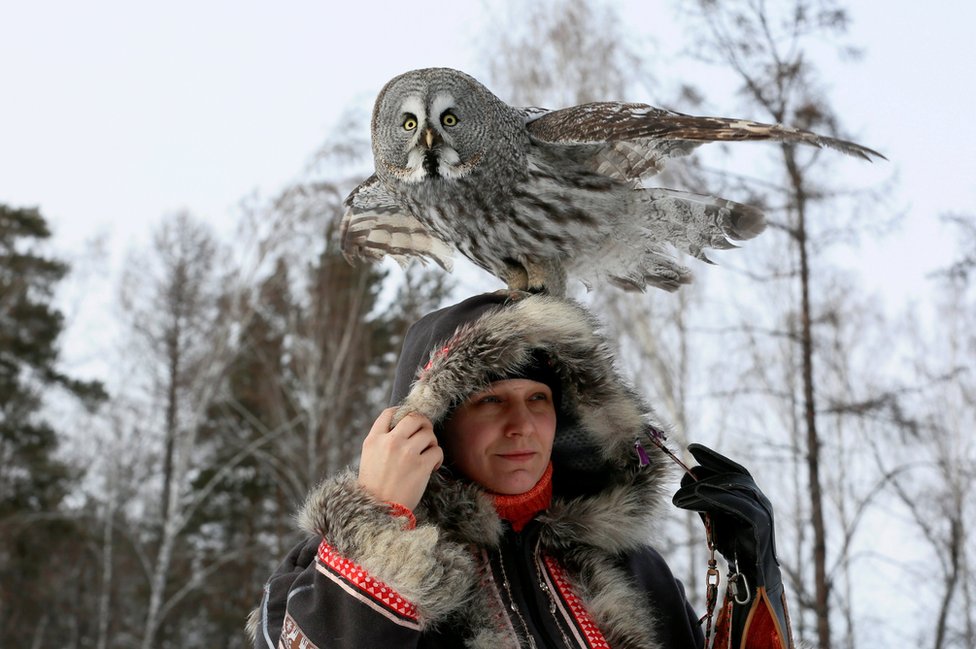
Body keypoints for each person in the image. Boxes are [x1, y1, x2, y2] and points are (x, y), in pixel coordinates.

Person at [249, 291, 792, 649]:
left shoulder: (636, 571)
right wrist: (378, 530)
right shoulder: (325, 574)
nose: (522, 425)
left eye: (539, 398)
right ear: (433, 423)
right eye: (489, 401)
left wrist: (749, 575)